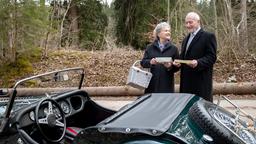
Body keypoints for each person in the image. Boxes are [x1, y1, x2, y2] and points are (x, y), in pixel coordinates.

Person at [173, 12, 217, 102]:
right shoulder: (185, 39)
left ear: (198, 22)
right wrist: (178, 63)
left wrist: (198, 62)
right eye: (186, 23)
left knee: (200, 112)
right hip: (186, 84)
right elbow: (183, 57)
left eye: (190, 22)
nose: (188, 25)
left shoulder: (208, 36)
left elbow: (212, 57)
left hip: (200, 83)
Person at [141, 22, 179, 93]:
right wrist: (150, 62)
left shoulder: (174, 49)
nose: (168, 32)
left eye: (169, 31)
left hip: (166, 85)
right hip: (152, 85)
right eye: (166, 31)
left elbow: (177, 67)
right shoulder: (150, 47)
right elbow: (143, 62)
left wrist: (170, 66)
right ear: (158, 34)